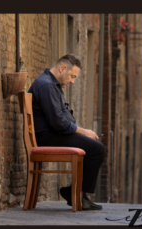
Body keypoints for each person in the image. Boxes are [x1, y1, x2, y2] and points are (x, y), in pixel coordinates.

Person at [28, 54, 105, 210]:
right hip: (49, 137)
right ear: (63, 68)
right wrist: (83, 132)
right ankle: (77, 194)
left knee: (93, 145)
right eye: (72, 76)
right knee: (97, 149)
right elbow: (57, 123)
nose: (72, 81)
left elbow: (61, 119)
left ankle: (78, 194)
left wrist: (81, 132)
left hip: (54, 135)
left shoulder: (52, 84)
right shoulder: (47, 86)